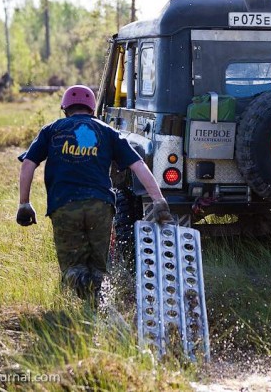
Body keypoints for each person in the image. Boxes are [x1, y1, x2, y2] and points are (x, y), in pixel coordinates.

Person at [16, 84, 173, 304]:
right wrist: (159, 201)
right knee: (99, 269)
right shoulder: (107, 131)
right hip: (101, 206)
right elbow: (138, 165)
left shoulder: (51, 130)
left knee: (73, 267)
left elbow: (29, 164)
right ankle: (97, 307)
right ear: (92, 109)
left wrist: (24, 203)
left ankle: (83, 299)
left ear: (65, 109)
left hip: (64, 205)